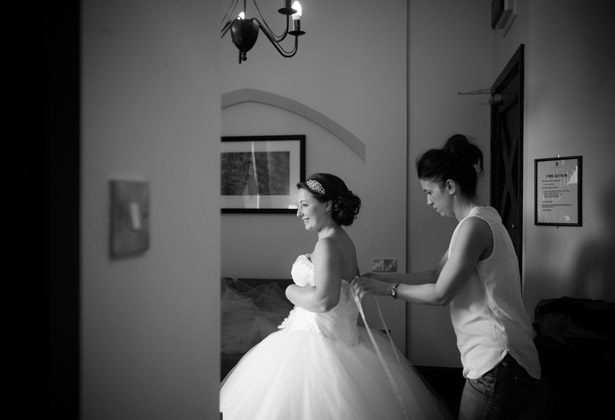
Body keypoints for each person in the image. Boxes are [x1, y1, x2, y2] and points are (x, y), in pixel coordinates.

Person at [220, 173, 453, 420]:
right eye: (298, 205)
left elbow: (324, 301)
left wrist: (289, 290)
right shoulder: (344, 242)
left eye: (305, 205)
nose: (299, 213)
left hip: (316, 342)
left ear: (328, 205)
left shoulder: (327, 245)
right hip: (344, 338)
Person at [352, 135, 542, 420]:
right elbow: (435, 274)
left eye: (429, 191)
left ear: (450, 186)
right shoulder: (477, 220)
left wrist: (384, 288)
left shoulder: (474, 227)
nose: (428, 201)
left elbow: (441, 293)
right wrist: (376, 276)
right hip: (498, 360)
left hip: (499, 360)